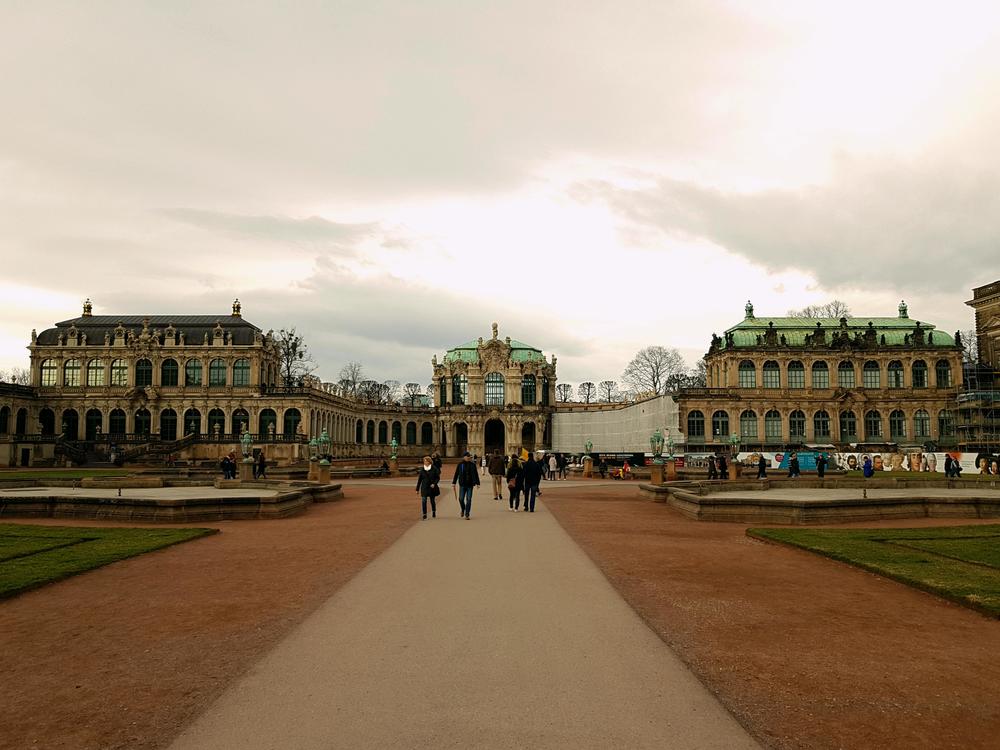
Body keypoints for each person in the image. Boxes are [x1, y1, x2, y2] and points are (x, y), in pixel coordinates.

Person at [451, 451, 480, 519]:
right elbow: (456, 474)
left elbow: (476, 474)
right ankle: (463, 509)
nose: (469, 458)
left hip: (470, 484)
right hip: (462, 484)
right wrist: (454, 482)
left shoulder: (473, 465)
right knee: (461, 499)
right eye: (467, 457)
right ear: (464, 457)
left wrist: (478, 483)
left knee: (469, 499)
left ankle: (467, 514)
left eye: (469, 457)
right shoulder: (460, 464)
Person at [415, 455, 440, 519]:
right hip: (424, 487)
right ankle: (424, 513)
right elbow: (419, 480)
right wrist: (417, 489)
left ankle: (434, 511)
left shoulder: (434, 468)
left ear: (429, 462)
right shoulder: (422, 469)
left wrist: (434, 484)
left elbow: (437, 478)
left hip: (431, 487)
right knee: (424, 500)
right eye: (424, 461)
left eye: (426, 461)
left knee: (432, 500)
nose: (424, 462)